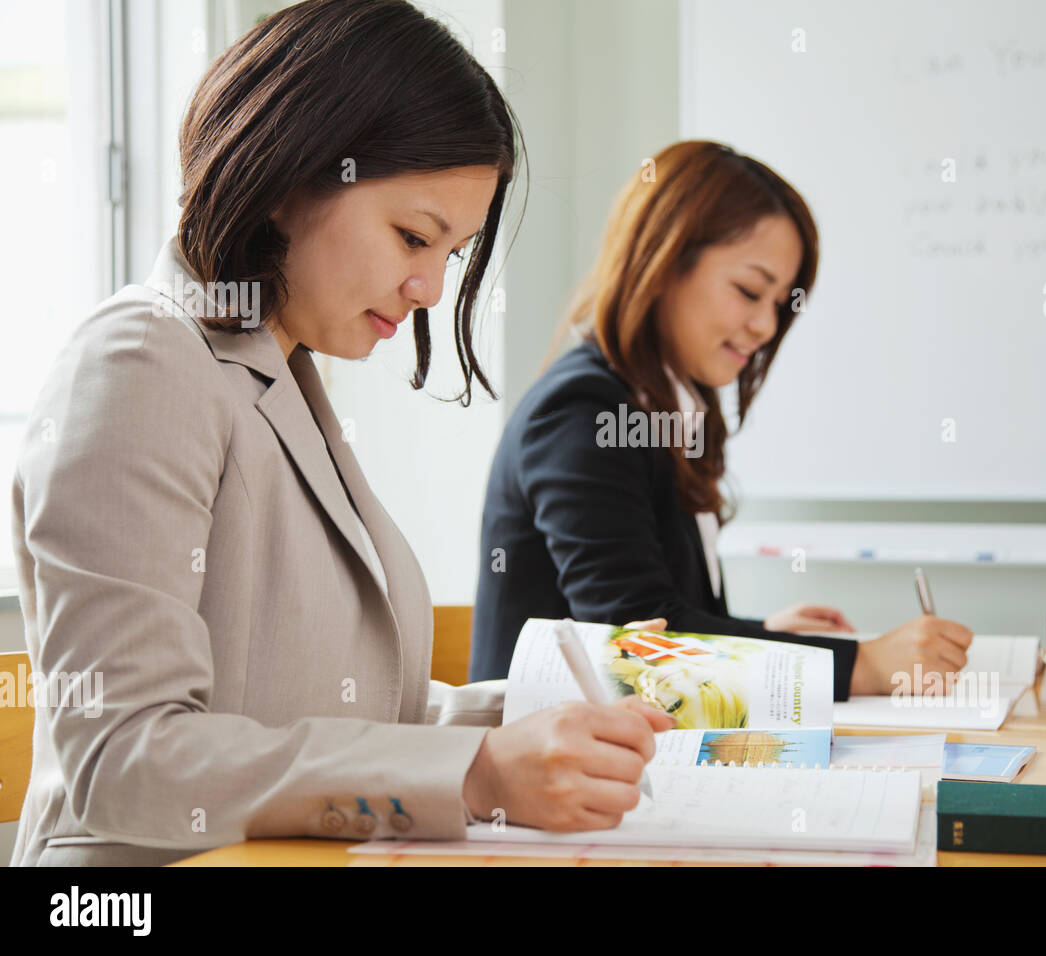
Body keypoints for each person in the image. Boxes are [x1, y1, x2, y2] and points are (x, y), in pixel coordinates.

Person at [9, 0, 670, 867]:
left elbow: (341, 719)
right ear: (289, 179)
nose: (431, 287)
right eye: (413, 236)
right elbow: (128, 760)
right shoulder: (140, 362)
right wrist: (474, 770)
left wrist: (521, 725)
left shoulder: (282, 375)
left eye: (453, 254)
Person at [471, 141, 974, 699]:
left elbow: (668, 620)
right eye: (749, 291)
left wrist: (763, 637)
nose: (765, 324)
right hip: (545, 765)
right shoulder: (584, 412)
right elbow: (641, 642)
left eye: (780, 302)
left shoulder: (666, 403)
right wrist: (862, 665)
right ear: (663, 263)